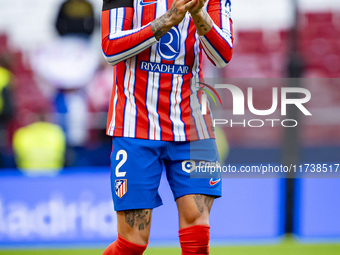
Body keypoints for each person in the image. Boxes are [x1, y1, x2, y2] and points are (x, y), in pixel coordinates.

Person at [101, 0, 233, 254]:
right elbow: (110, 48)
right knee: (132, 243)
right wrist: (167, 21)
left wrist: (198, 13)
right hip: (135, 124)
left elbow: (222, 55)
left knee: (197, 231)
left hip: (192, 126)